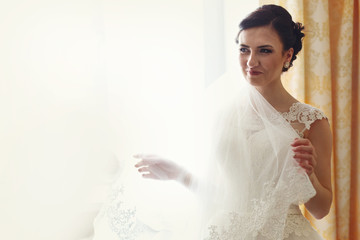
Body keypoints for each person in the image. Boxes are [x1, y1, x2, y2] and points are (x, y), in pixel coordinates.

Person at [93, 4, 332, 240]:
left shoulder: (311, 122)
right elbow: (225, 199)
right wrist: (179, 174)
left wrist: (308, 174)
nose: (250, 61)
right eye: (244, 49)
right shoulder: (224, 113)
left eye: (264, 50)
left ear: (287, 55)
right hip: (225, 232)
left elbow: (321, 209)